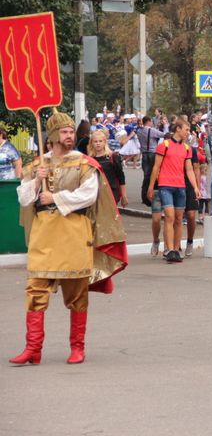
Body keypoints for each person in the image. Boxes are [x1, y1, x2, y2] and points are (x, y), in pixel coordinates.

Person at [10, 110, 127, 366]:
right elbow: (23, 198)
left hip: (74, 232)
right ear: (51, 136)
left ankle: (77, 348)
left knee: (76, 293)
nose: (69, 136)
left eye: (71, 131)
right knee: (35, 290)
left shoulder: (84, 163)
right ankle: (33, 348)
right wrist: (36, 182)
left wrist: (56, 198)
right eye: (64, 132)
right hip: (44, 234)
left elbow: (89, 195)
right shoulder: (38, 164)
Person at [147, 120, 200, 263]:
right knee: (169, 217)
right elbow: (156, 167)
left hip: (180, 186)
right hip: (165, 185)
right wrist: (151, 186)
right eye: (186, 129)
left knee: (178, 218)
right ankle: (169, 249)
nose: (188, 132)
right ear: (178, 129)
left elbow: (189, 169)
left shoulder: (187, 148)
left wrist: (195, 187)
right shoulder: (164, 145)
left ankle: (176, 250)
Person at [87, 130, 127, 206]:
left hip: (111, 192)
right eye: (95, 141)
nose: (98, 143)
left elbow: (121, 177)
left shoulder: (113, 156)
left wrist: (124, 196)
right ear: (91, 143)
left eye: (100, 141)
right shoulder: (89, 159)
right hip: (95, 192)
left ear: (105, 142)